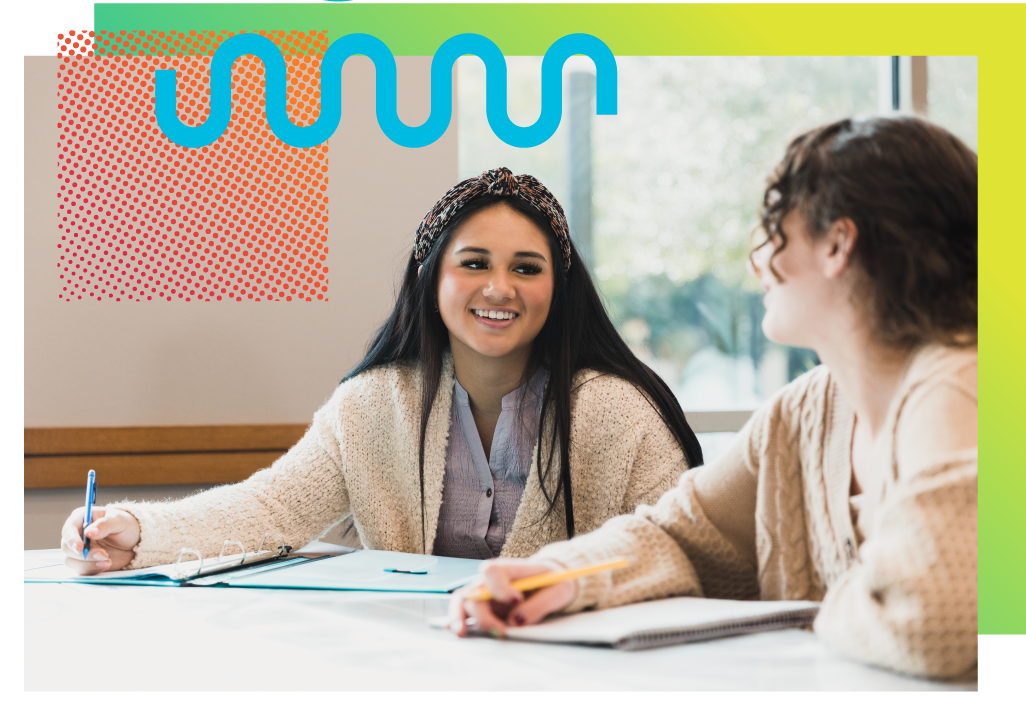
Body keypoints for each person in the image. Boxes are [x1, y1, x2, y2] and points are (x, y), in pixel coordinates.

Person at [449, 118, 978, 680]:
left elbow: (930, 623)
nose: (757, 263)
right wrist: (551, 578)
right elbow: (679, 536)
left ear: (838, 244)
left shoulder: (960, 385)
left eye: (776, 232)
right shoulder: (804, 413)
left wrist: (809, 614)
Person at [60, 168, 703, 573]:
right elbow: (271, 509)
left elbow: (685, 553)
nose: (500, 288)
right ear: (431, 280)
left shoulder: (619, 412)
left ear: (559, 288)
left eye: (527, 268)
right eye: (474, 263)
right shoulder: (371, 405)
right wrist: (139, 534)